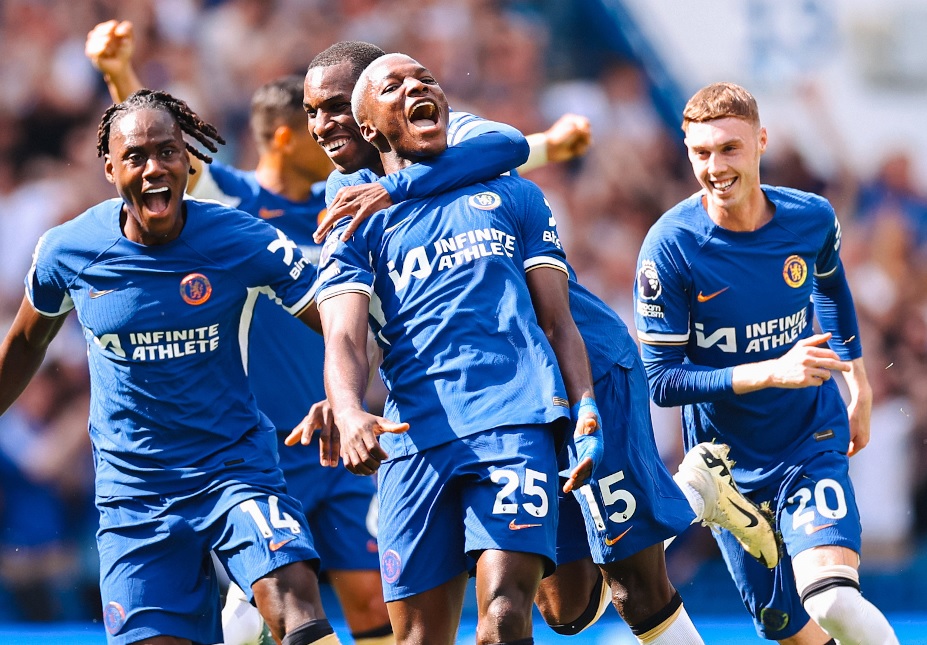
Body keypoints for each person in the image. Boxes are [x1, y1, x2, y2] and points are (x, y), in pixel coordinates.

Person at [302, 42, 779, 645]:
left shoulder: (460, 147)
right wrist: (341, 401)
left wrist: (403, 189)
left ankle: (692, 490)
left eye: (337, 106)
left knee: (635, 583)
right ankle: (676, 498)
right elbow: (369, 314)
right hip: (475, 402)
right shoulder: (346, 193)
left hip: (584, 366)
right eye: (313, 111)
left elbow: (508, 145)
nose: (325, 125)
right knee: (567, 612)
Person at [84, 20, 392, 645]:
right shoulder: (236, 205)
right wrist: (120, 71)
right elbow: (162, 158)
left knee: (369, 595)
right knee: (267, 610)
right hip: (269, 439)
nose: (326, 134)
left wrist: (546, 145)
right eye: (311, 121)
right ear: (285, 134)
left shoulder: (350, 200)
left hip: (342, 421)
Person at [0, 89, 341, 645]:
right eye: (135, 156)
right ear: (110, 168)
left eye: (167, 152)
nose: (154, 168)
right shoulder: (68, 250)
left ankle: (253, 617)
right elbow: (23, 344)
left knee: (296, 604)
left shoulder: (239, 238)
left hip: (236, 471)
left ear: (189, 160)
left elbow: (337, 318)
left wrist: (344, 396)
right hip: (137, 494)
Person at [313, 52, 603, 645]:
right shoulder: (352, 211)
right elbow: (344, 334)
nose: (416, 87)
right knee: (419, 638)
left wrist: (586, 406)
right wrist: (346, 408)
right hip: (414, 438)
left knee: (503, 616)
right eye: (393, 86)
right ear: (370, 126)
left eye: (424, 79)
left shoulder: (507, 192)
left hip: (513, 420)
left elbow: (558, 319)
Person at [633, 81, 899, 644]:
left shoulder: (809, 218)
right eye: (702, 153)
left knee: (835, 604)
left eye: (730, 148)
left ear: (761, 142)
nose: (715, 166)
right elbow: (662, 381)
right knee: (796, 634)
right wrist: (773, 371)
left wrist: (859, 382)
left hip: (808, 437)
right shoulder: (670, 247)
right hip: (728, 474)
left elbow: (832, 287)